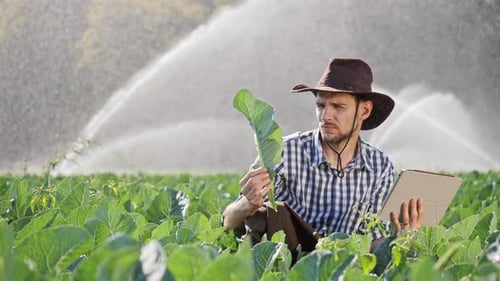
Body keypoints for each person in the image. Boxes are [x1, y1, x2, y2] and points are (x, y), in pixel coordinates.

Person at [223, 58, 424, 252]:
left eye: (338, 107)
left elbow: (370, 245)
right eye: (321, 105)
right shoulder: (283, 152)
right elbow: (228, 222)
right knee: (273, 212)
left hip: (343, 268)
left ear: (364, 110)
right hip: (287, 265)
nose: (326, 116)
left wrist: (401, 239)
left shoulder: (380, 167)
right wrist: (247, 204)